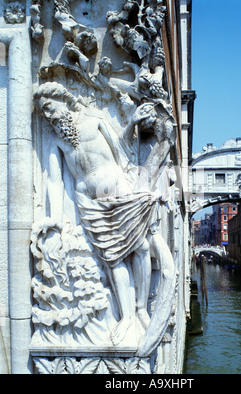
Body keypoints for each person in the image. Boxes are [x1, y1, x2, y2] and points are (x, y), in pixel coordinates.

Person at [33, 82, 175, 352]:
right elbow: (53, 180)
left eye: (49, 107)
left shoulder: (94, 119)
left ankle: (141, 309)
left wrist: (132, 120)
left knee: (141, 246)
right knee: (112, 258)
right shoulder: (56, 140)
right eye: (43, 112)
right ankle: (126, 318)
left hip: (116, 187)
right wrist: (53, 217)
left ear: (62, 100)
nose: (49, 115)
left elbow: (120, 148)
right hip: (88, 200)